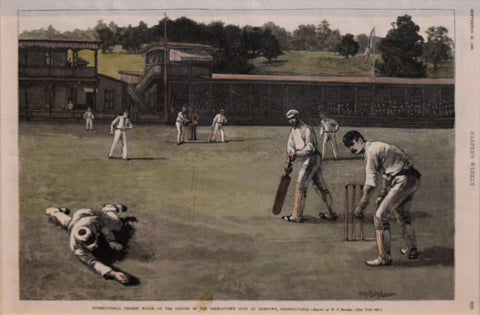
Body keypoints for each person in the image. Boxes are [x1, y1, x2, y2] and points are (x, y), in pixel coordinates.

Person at [342, 130, 421, 266]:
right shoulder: (378, 147)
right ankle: (411, 250)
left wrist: (361, 205)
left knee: (379, 217)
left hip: (403, 179)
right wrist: (382, 194)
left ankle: (384, 258)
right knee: (402, 213)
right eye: (348, 147)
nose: (351, 149)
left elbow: (370, 183)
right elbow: (386, 173)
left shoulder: (371, 152)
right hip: (412, 178)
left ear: (360, 140)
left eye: (352, 144)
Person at [45, 204, 133, 285]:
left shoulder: (93, 222)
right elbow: (92, 262)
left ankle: (108, 209)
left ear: (94, 234)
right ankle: (53, 211)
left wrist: (111, 241)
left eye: (94, 242)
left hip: (88, 213)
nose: (96, 246)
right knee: (67, 223)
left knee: (117, 224)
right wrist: (113, 274)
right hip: (74, 224)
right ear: (80, 243)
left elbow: (104, 227)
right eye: (90, 245)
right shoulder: (75, 247)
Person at [281, 109, 337, 223]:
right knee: (319, 185)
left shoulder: (307, 129)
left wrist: (296, 154)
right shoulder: (293, 131)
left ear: (298, 117)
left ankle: (296, 215)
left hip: (312, 158)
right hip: (306, 160)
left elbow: (310, 147)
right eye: (290, 119)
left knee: (300, 186)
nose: (292, 121)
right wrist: (290, 158)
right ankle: (330, 213)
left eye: (294, 118)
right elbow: (290, 146)